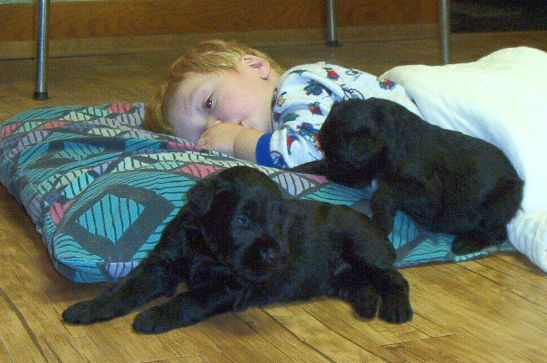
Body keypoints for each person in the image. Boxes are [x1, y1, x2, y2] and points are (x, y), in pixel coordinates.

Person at [144, 39, 421, 168]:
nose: (218, 129)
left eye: (209, 103)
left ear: (255, 66)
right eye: (204, 136)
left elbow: (307, 151)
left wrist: (237, 140)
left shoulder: (296, 83)